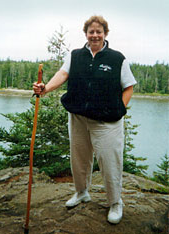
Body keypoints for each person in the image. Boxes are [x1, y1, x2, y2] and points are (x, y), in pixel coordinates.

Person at [33, 15, 137, 224]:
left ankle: (115, 202)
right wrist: (45, 89)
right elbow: (63, 74)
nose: (95, 35)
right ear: (86, 34)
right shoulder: (76, 55)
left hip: (107, 122)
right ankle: (82, 192)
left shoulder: (117, 59)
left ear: (105, 34)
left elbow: (129, 86)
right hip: (78, 117)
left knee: (109, 162)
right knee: (79, 158)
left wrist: (118, 109)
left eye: (99, 31)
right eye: (91, 31)